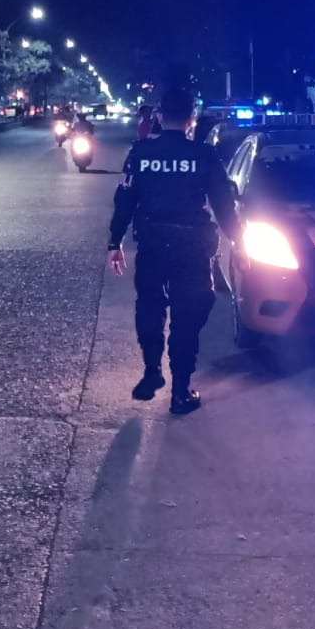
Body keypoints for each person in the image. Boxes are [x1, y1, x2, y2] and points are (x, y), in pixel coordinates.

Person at [107, 86, 240, 414]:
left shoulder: (141, 152)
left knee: (149, 309)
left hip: (152, 245)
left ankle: (152, 372)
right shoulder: (203, 155)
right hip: (192, 249)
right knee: (187, 316)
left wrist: (115, 241)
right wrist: (239, 240)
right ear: (191, 118)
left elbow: (125, 199)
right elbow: (224, 203)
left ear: (159, 116)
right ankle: (180, 391)